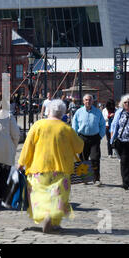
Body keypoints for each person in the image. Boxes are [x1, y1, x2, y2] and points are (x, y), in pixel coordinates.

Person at [18, 100, 84, 233]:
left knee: (39, 194)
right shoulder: (66, 128)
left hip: (38, 168)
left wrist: (21, 164)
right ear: (63, 113)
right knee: (59, 196)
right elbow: (79, 147)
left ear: (48, 111)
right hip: (61, 169)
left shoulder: (38, 125)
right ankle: (54, 220)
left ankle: (45, 214)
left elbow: (27, 147)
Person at [71, 94, 106, 186]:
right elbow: (74, 125)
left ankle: (96, 179)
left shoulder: (98, 112)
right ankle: (85, 178)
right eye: (86, 100)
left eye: (90, 100)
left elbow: (102, 125)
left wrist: (100, 135)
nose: (88, 101)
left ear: (92, 101)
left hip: (95, 138)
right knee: (83, 159)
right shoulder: (78, 112)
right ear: (83, 101)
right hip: (82, 138)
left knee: (95, 158)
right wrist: (76, 136)